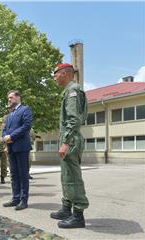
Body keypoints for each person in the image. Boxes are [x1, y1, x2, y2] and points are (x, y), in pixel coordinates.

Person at [50, 63, 89, 228]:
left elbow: (74, 119)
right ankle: (67, 208)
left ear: (65, 73)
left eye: (55, 74)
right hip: (69, 139)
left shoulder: (73, 91)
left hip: (71, 140)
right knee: (66, 176)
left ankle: (78, 216)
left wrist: (65, 142)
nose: (54, 77)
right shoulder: (68, 91)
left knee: (73, 178)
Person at [2, 90, 33, 211]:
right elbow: (5, 129)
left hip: (21, 147)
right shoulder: (10, 114)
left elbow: (26, 126)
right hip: (11, 147)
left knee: (23, 174)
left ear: (18, 97)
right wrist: (5, 137)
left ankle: (23, 200)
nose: (9, 100)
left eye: (11, 97)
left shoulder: (25, 109)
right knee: (14, 174)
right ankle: (15, 198)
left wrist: (11, 136)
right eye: (8, 98)